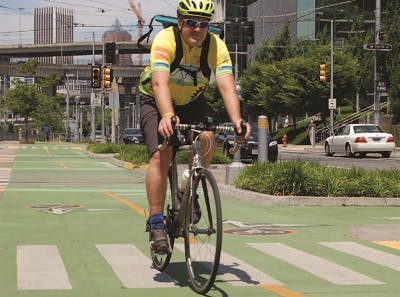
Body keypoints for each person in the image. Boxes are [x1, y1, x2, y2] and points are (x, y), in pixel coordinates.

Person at [138, 0, 250, 253]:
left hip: (191, 99)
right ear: (180, 23)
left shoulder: (215, 45)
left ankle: (187, 187)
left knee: (208, 138)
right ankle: (156, 223)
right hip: (155, 99)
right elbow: (159, 84)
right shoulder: (165, 40)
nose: (197, 29)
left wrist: (237, 120)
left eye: (203, 24)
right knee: (161, 154)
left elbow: (225, 85)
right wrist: (167, 115)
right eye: (191, 22)